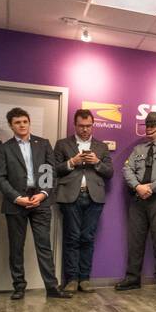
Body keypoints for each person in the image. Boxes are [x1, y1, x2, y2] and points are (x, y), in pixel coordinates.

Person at [0, 107, 68, 300]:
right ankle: (19, 287)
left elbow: (49, 171)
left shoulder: (43, 144)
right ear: (11, 125)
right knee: (16, 247)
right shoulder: (4, 148)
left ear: (29, 123)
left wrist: (43, 193)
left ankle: (52, 287)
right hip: (15, 202)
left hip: (40, 201)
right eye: (17, 122)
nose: (22, 125)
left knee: (44, 245)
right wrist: (16, 198)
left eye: (24, 121)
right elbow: (0, 178)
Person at [116, 111, 156, 292]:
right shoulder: (138, 150)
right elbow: (127, 169)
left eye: (154, 126)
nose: (150, 129)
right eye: (148, 126)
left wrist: (151, 188)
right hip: (138, 199)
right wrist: (138, 187)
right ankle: (132, 278)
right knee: (135, 241)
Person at [53, 109, 113, 293]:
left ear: (93, 125)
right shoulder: (62, 144)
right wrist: (72, 162)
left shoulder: (101, 147)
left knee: (88, 238)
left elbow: (110, 172)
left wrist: (96, 162)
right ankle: (71, 279)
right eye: (81, 126)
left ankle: (85, 279)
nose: (85, 129)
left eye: (88, 126)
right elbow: (53, 169)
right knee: (72, 238)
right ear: (75, 125)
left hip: (94, 197)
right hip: (70, 196)